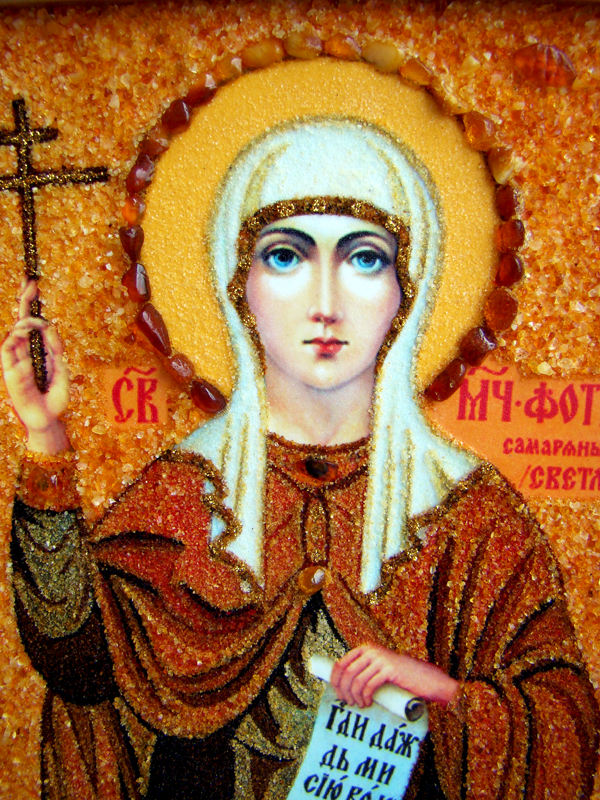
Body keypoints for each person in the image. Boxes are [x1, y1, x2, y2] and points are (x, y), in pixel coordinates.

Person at [2, 119, 598, 800]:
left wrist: (447, 696)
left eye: (365, 259)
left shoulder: (465, 516)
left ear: (407, 289)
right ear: (239, 285)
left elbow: (563, 730)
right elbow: (80, 663)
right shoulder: (189, 493)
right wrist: (45, 434)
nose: (325, 304)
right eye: (286, 256)